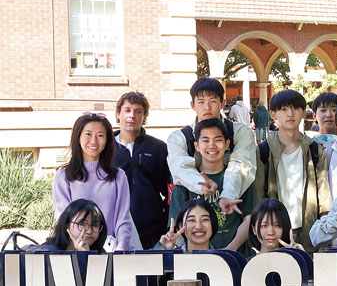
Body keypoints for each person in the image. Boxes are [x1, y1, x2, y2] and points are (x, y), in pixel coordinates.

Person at [253, 89, 331, 251]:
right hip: (274, 232)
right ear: (273, 114)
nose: (290, 114)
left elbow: (323, 198)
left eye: (295, 108)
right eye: (283, 109)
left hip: (309, 232)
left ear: (303, 113)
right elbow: (258, 197)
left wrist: (324, 239)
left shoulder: (314, 150)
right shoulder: (263, 151)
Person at [167, 78, 256, 218]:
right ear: (193, 105)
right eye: (201, 102)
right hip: (192, 215)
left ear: (223, 103)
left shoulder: (240, 133)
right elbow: (180, 168)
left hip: (234, 211)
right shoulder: (179, 138)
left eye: (213, 101)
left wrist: (228, 194)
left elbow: (242, 165)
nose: (207, 107)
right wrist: (201, 184)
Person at [168, 118, 254, 253]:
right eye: (206, 140)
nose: (212, 145)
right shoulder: (185, 181)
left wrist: (230, 250)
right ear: (197, 146)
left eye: (218, 140)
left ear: (227, 144)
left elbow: (249, 219)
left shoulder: (239, 177)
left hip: (237, 256)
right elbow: (178, 227)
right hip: (198, 259)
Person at [53, 113, 135, 251]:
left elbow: (123, 219)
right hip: (74, 252)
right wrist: (80, 250)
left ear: (108, 140)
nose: (94, 141)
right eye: (88, 134)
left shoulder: (118, 176)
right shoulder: (63, 176)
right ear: (78, 137)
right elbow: (64, 220)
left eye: (100, 135)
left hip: (109, 252)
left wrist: (120, 250)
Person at [112, 91, 172, 249]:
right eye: (127, 110)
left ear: (144, 116)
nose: (132, 116)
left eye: (138, 111)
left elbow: (170, 190)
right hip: (114, 231)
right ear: (118, 114)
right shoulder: (105, 148)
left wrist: (165, 218)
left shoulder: (159, 148)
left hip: (152, 232)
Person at [34, 199, 108, 252]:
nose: (89, 231)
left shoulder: (100, 253)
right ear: (66, 225)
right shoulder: (48, 253)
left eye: (95, 225)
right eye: (82, 224)